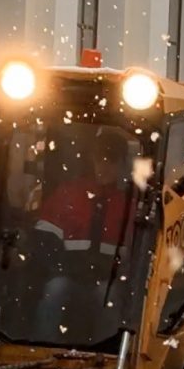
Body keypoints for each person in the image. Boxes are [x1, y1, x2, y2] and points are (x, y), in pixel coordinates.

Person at [31, 131, 136, 340]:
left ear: (122, 164)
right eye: (100, 159)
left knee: (109, 296)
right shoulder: (68, 194)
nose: (104, 166)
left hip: (106, 280)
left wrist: (113, 271)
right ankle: (41, 348)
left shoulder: (129, 207)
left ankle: (108, 355)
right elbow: (43, 240)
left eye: (111, 160)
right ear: (92, 160)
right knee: (55, 290)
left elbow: (135, 257)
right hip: (69, 275)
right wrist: (64, 267)